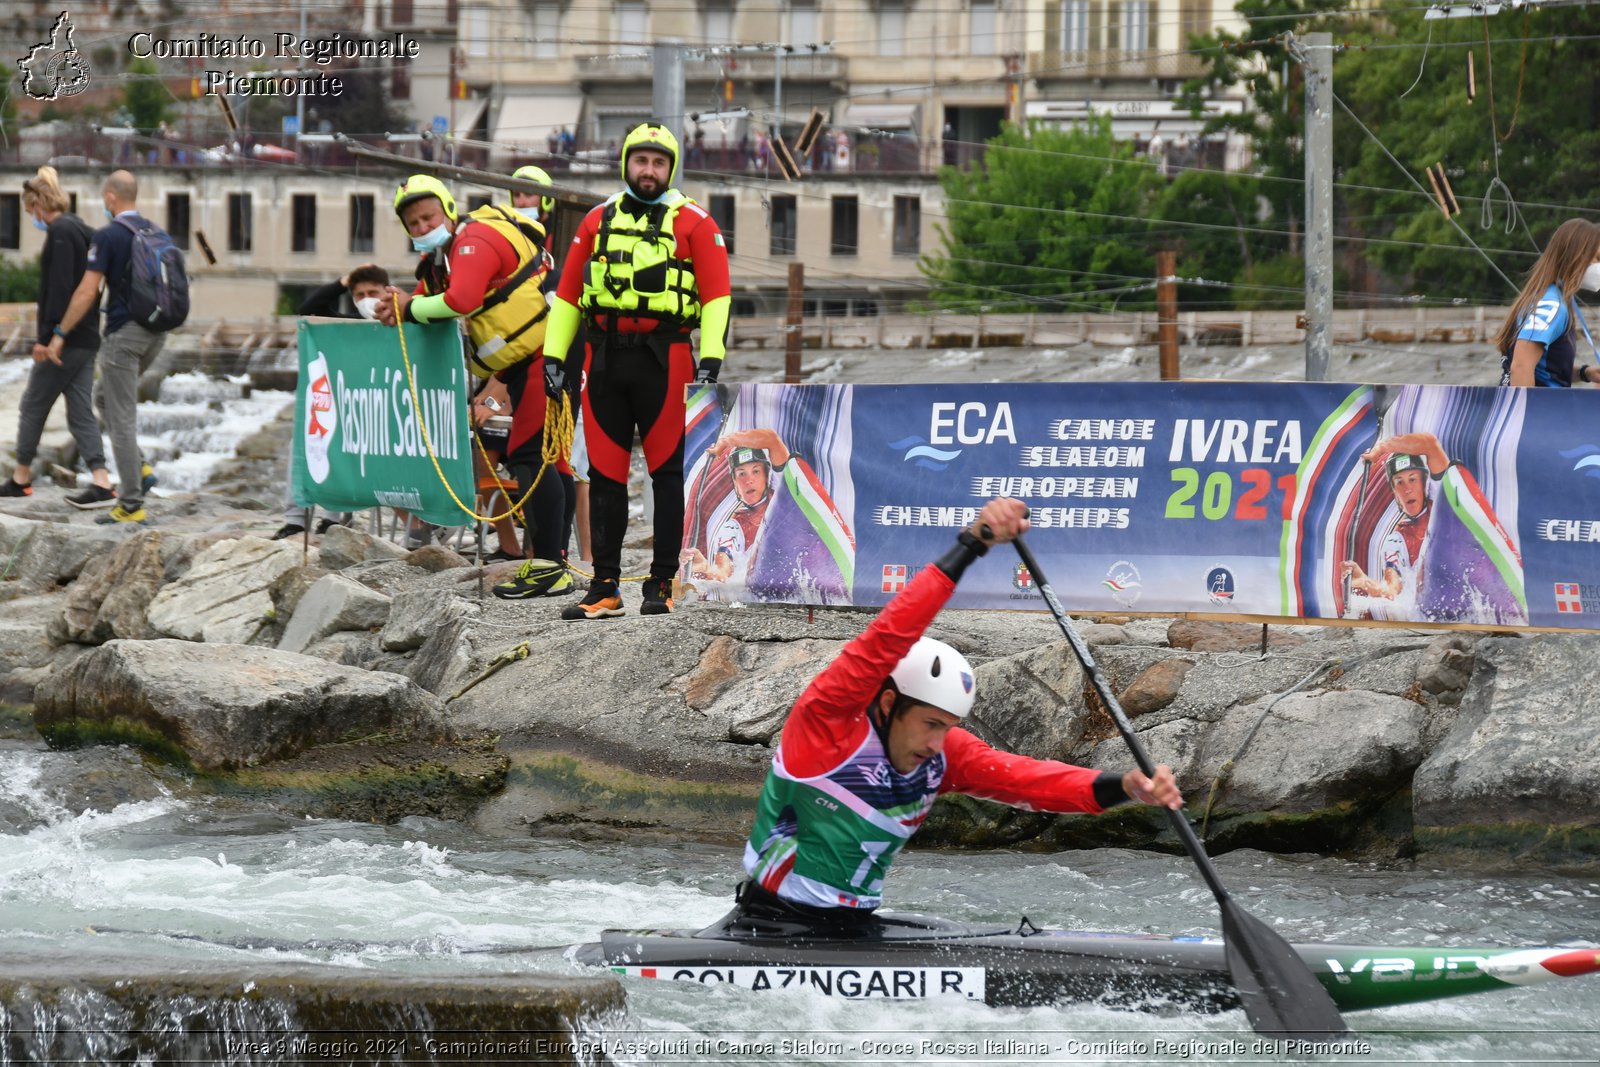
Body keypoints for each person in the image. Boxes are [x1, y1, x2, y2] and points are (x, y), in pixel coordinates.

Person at [732, 498, 1183, 927]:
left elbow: (1028, 781)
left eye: (947, 728)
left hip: (854, 928)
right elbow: (890, 633)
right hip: (771, 925)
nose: (936, 742)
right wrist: (974, 542)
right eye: (930, 723)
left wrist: (1125, 787)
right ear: (889, 704)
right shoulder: (824, 727)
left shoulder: (943, 757)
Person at [540, 122, 732, 619]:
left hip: (665, 357)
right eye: (641, 160)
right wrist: (553, 357)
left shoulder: (695, 223)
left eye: (658, 162)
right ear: (626, 163)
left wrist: (710, 359)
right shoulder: (596, 220)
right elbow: (566, 297)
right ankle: (604, 587)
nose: (649, 170)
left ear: (670, 169)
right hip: (602, 358)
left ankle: (661, 583)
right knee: (604, 475)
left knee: (667, 475)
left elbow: (716, 298)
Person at [373, 174, 562, 569]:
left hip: (549, 351)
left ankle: (548, 564)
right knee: (530, 458)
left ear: (449, 211)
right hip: (517, 361)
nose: (423, 228)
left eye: (429, 217)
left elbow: (461, 300)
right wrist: (397, 306)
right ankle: (542, 559)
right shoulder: (438, 260)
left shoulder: (473, 241)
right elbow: (425, 301)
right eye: (415, 224)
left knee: (533, 457)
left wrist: (409, 308)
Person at [44, 170, 165, 524]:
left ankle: (130, 504)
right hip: (157, 333)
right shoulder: (154, 231)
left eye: (103, 196)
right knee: (102, 398)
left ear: (111, 197)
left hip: (125, 334)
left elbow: (86, 291)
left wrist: (59, 332)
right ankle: (140, 469)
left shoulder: (110, 235)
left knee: (120, 413)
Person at [489, 164, 583, 596]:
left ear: (545, 204)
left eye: (529, 196)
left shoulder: (544, 262)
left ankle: (547, 564)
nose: (520, 202)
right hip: (537, 362)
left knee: (532, 455)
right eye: (516, 195)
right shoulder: (523, 254)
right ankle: (553, 559)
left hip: (548, 361)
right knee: (555, 459)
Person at [2, 167, 111, 503]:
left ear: (37, 205)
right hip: (88, 335)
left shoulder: (61, 231)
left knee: (32, 403)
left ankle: (21, 479)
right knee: (79, 411)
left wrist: (48, 337)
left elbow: (61, 288)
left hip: (65, 341)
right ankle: (102, 481)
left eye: (28, 209)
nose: (30, 217)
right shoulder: (80, 227)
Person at [1339, 430, 1526, 625]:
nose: (1407, 489)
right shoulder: (1396, 541)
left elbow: (1430, 444)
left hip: (1471, 579)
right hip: (1433, 606)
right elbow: (1393, 591)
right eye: (1399, 483)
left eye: (1412, 479)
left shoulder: (1440, 499)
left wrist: (1383, 448)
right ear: (1394, 493)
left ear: (1423, 482)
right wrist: (1365, 583)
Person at [272, 263, 391, 540]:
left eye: (373, 292)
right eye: (359, 294)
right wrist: (344, 281)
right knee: (300, 444)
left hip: (376, 411)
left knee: (346, 447)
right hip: (340, 404)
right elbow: (309, 308)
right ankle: (295, 520)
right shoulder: (348, 322)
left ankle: (333, 518)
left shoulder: (403, 320)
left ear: (387, 291)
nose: (366, 299)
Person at [679, 426, 853, 603]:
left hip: (810, 570)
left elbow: (771, 439)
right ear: (735, 483)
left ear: (766, 474)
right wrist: (707, 569)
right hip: (768, 595)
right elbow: (724, 573)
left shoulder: (780, 489)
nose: (749, 480)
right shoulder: (732, 528)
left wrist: (727, 442)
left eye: (756, 471)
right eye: (741, 474)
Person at [1497, 218, 1600, 388]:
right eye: (1597, 259)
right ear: (1577, 257)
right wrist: (1526, 413)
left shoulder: (1549, 297)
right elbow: (1521, 367)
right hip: (1539, 411)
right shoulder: (1552, 306)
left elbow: (1545, 371)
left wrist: (1585, 373)